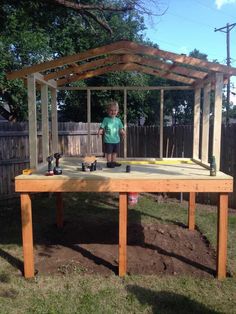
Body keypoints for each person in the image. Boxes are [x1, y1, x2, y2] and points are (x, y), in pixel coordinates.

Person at [98, 101, 125, 168]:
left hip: (116, 140)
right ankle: (109, 162)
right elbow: (102, 127)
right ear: (108, 111)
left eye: (115, 110)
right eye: (111, 110)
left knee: (115, 152)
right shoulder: (106, 119)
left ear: (117, 111)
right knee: (109, 152)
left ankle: (114, 162)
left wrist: (123, 133)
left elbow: (121, 129)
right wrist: (99, 132)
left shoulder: (118, 120)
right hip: (108, 140)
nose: (113, 112)